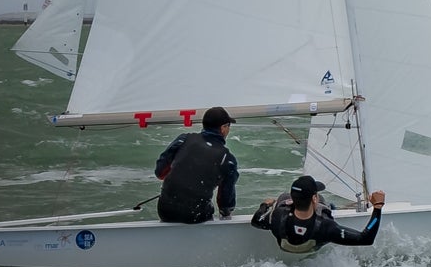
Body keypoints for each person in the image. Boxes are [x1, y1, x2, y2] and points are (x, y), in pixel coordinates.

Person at [251, 175, 386, 253]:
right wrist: (378, 207)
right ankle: (331, 206)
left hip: (285, 248)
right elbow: (366, 239)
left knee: (282, 198)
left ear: (292, 200)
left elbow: (256, 221)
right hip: (312, 247)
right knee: (326, 207)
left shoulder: (277, 215)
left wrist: (265, 205)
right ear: (314, 199)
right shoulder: (327, 227)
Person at [154, 106, 239, 224]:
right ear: (223, 128)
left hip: (165, 211)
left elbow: (160, 172)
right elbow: (225, 203)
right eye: (228, 126)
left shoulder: (183, 139)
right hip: (196, 215)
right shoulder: (227, 159)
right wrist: (226, 214)